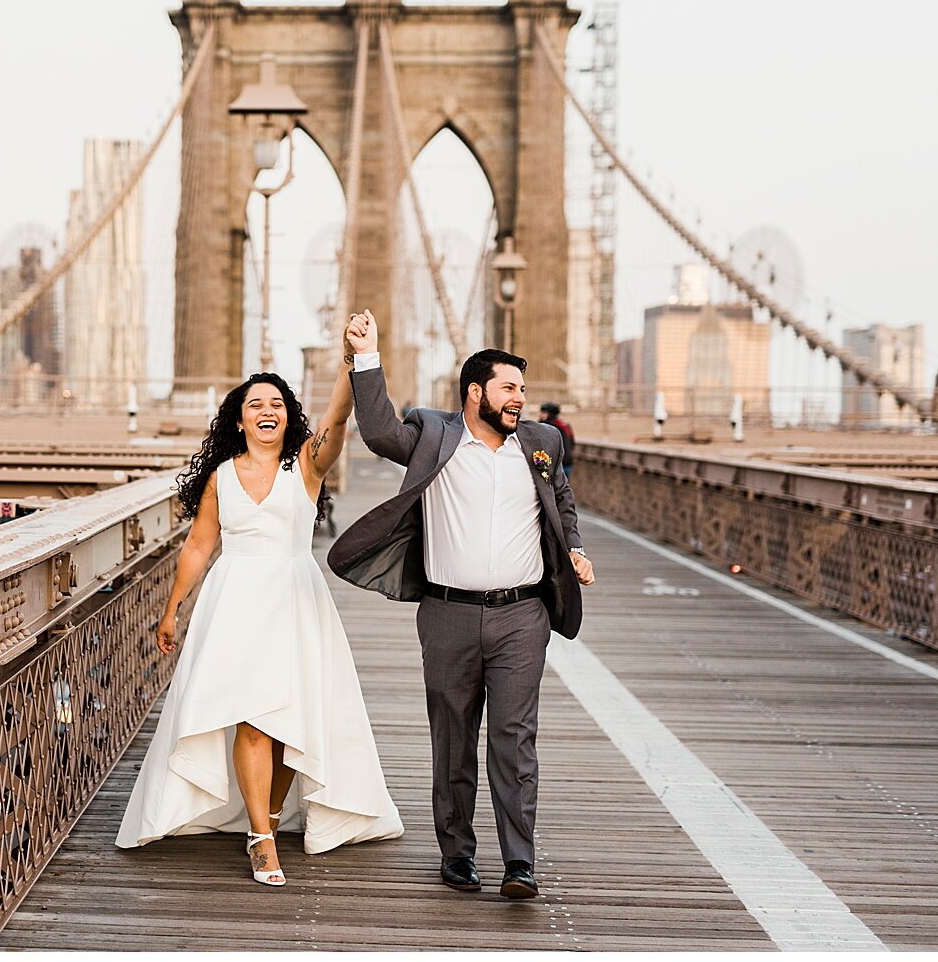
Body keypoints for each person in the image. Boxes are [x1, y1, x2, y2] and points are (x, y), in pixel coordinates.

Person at [116, 318, 403, 887]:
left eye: (276, 402)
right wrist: (173, 609)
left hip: (296, 600)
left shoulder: (308, 465)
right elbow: (200, 546)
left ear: (285, 414)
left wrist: (356, 359)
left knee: (287, 722)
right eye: (255, 404)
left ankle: (269, 815)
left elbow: (337, 418)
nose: (266, 410)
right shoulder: (222, 476)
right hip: (235, 603)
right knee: (251, 720)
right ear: (239, 418)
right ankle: (260, 835)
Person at [328, 309, 594, 900]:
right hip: (448, 614)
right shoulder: (435, 436)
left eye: (523, 389)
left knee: (514, 736)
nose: (519, 398)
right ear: (476, 393)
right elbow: (378, 433)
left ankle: (519, 863)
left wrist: (573, 547)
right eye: (509, 388)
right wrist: (367, 354)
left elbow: (564, 501)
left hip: (523, 615)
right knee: (453, 738)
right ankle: (457, 855)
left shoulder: (542, 443)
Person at [538, 402, 575, 480]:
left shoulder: (546, 426)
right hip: (566, 463)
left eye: (543, 412)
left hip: (553, 465)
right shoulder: (565, 425)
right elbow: (572, 443)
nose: (541, 415)